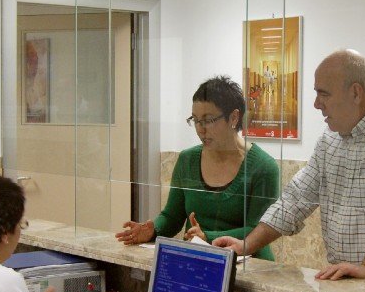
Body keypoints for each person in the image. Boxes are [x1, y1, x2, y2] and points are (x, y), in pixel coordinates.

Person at [213, 50, 365, 288]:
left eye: (323, 94)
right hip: (350, 276)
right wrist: (245, 245)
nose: (316, 104)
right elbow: (295, 199)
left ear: (355, 93)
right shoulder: (330, 139)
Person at [115, 75, 281, 260]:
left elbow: (259, 229)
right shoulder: (188, 159)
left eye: (208, 120)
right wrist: (153, 229)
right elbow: (172, 216)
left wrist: (207, 238)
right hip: (198, 262)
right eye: (195, 120)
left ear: (233, 117)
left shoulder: (264, 167)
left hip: (250, 266)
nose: (200, 129)